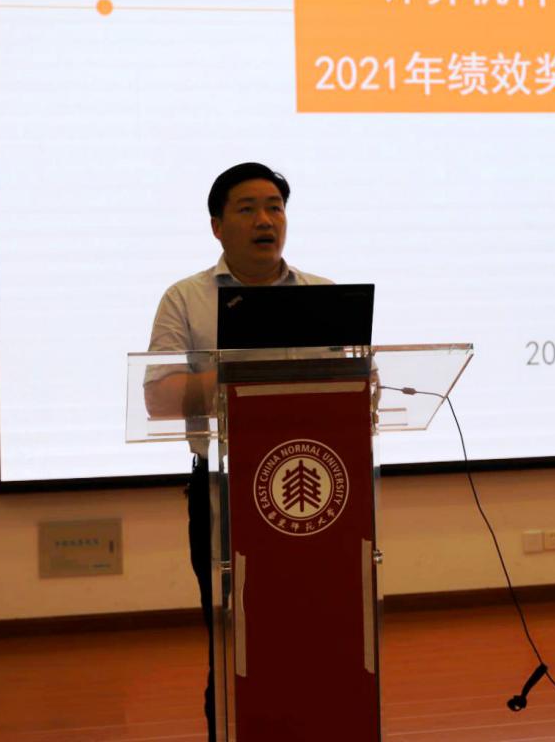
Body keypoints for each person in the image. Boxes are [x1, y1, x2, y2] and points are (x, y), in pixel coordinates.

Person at [145, 162, 331, 741]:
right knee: (233, 641)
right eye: (247, 208)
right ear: (217, 226)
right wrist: (243, 376)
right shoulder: (186, 299)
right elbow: (159, 396)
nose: (265, 220)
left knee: (317, 639)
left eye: (275, 207)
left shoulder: (325, 296)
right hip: (223, 492)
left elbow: (357, 388)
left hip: (319, 496)